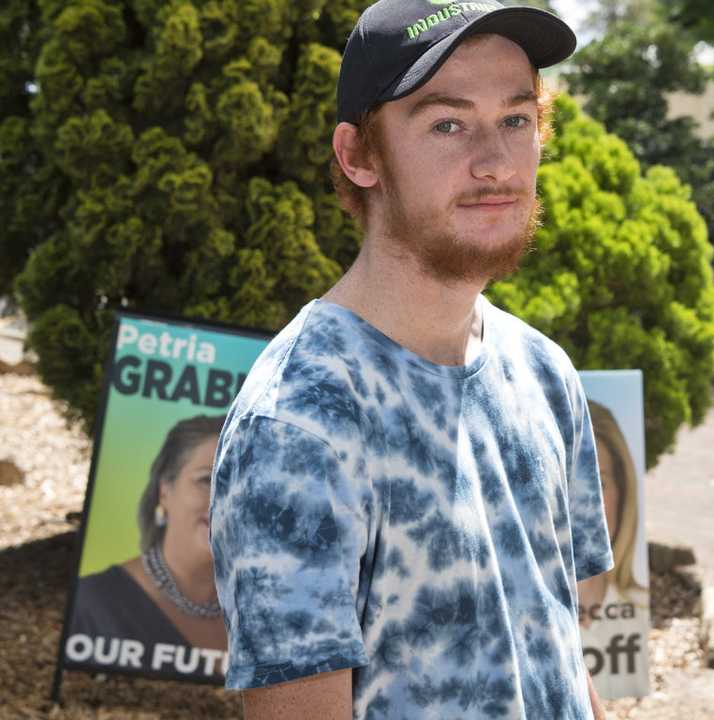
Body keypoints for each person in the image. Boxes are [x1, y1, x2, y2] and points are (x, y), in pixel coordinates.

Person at [208, 3, 613, 719]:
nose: (494, 161)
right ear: (358, 156)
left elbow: (559, 649)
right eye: (447, 124)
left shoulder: (545, 373)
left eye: (516, 119)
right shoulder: (302, 421)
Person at [69, 415, 227, 676]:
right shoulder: (93, 606)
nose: (225, 501)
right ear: (165, 491)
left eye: (242, 483)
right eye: (207, 481)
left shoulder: (266, 615)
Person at [577, 400, 646, 627]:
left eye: (598, 483)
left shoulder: (640, 610)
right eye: (563, 483)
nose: (582, 503)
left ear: (623, 492)